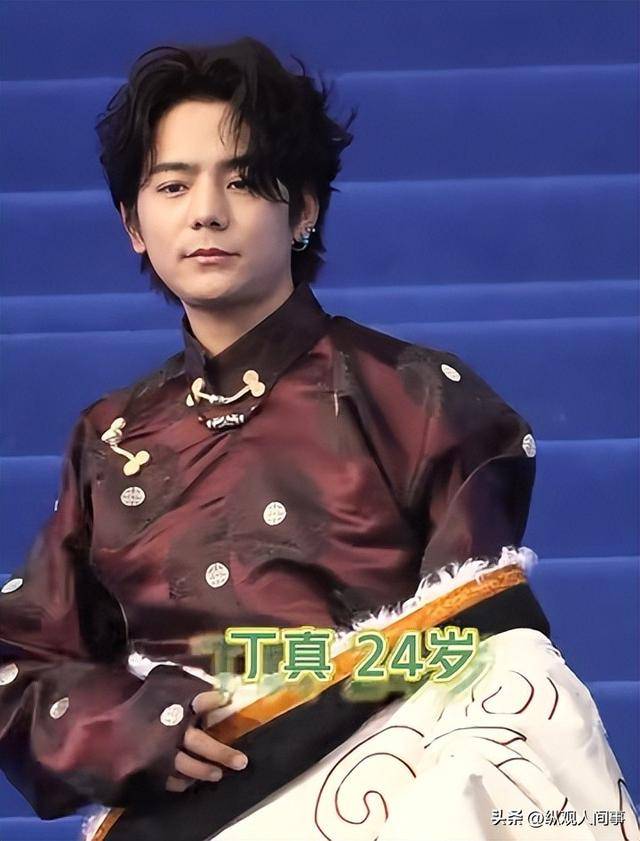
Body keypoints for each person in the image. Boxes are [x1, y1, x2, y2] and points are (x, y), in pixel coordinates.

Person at [0, 36, 637, 841]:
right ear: (134, 223)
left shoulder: (418, 397)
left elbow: (479, 662)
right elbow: (22, 663)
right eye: (173, 184)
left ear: (303, 209)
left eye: (242, 180)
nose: (206, 211)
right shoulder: (111, 438)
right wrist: (134, 727)